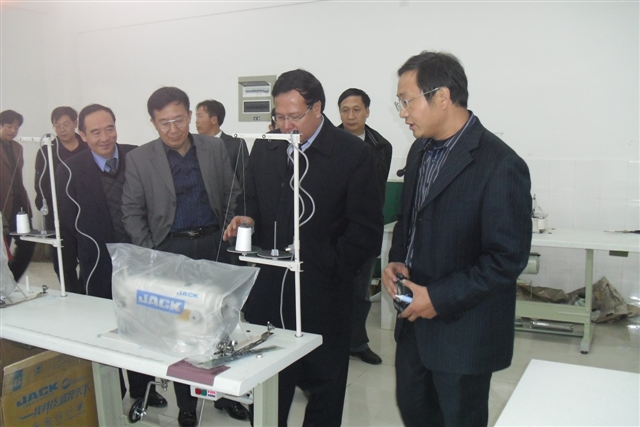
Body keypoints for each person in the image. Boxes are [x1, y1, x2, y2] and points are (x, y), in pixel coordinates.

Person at [224, 69, 383, 426]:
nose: (286, 126)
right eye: (279, 116)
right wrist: (246, 219)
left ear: (318, 108)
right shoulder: (266, 147)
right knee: (269, 389)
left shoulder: (351, 154)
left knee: (325, 386)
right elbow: (251, 202)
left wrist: (328, 265)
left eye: (294, 116)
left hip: (325, 295)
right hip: (271, 294)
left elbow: (366, 231)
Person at [381, 51, 532, 427]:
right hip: (414, 328)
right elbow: (409, 219)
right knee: (415, 412)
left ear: (442, 97)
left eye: (407, 101)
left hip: (464, 335)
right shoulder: (419, 151)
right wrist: (397, 259)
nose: (403, 113)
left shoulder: (499, 164)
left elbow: (506, 259)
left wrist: (439, 298)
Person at [122, 87, 245, 427]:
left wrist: (227, 233)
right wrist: (152, 252)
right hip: (171, 250)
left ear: (190, 116)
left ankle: (225, 395)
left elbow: (232, 193)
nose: (173, 129)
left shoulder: (213, 148)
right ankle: (187, 404)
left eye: (178, 120)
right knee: (181, 328)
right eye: (164, 123)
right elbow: (131, 211)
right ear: (153, 122)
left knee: (222, 322)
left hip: (214, 244)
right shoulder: (140, 159)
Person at [55, 104, 167, 408]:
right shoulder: (69, 169)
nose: (104, 138)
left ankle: (144, 389)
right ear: (82, 135)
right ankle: (112, 390)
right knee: (104, 329)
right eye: (95, 132)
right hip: (99, 264)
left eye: (110, 129)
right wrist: (69, 279)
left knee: (141, 326)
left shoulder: (137, 156)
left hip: (139, 259)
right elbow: (67, 225)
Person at [337, 88, 392, 365]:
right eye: (345, 110)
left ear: (367, 112)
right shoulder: (327, 142)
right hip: (334, 230)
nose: (351, 115)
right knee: (332, 291)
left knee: (360, 292)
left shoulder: (382, 146)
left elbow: (378, 191)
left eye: (356, 109)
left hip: (365, 229)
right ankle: (331, 344)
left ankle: (357, 342)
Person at [34, 106, 88, 293]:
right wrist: (47, 208)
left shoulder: (87, 147)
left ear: (75, 123)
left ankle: (86, 293)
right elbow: (40, 184)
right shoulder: (47, 151)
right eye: (57, 125)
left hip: (86, 212)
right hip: (59, 215)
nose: (62, 129)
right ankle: (73, 295)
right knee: (64, 262)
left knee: (89, 258)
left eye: (65, 124)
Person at [0, 110, 35, 281]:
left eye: (16, 128)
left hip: (19, 204)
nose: (13, 131)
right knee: (3, 248)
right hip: (2, 206)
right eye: (9, 127)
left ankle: (10, 281)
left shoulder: (17, 148)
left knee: (27, 244)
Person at [195, 99, 249, 188]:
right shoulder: (194, 145)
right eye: (196, 116)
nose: (196, 121)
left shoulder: (237, 144)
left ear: (214, 120)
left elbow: (244, 178)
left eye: (200, 116)